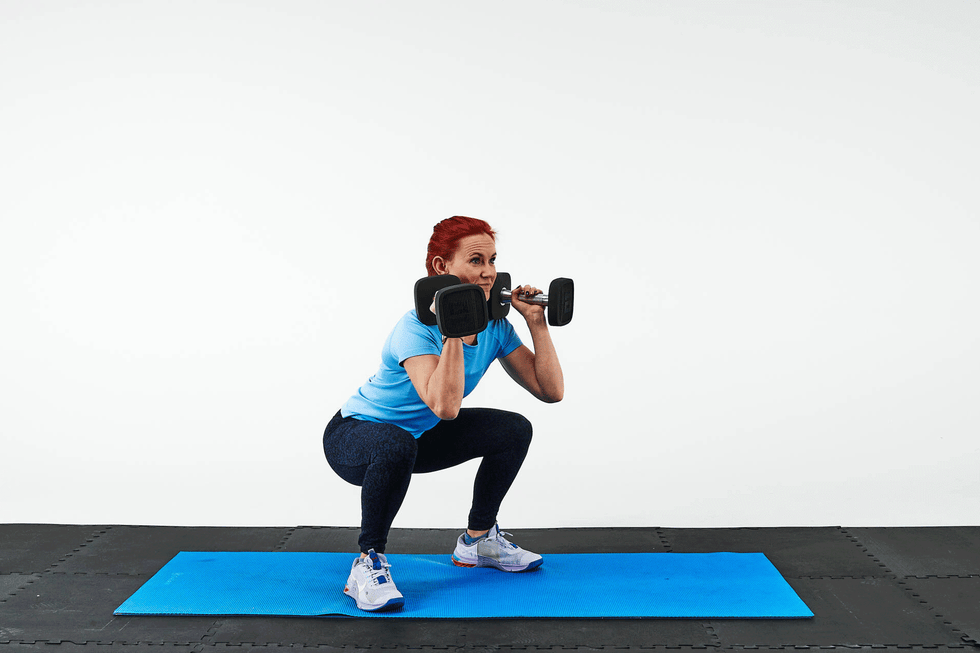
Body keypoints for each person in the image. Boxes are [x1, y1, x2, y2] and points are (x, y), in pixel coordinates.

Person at [322, 215, 565, 612]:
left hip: (418, 438)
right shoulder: (415, 328)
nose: (489, 273)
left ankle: (478, 541)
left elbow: (550, 390)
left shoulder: (496, 327)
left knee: (513, 429)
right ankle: (367, 562)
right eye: (475, 261)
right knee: (395, 442)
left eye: (492, 260)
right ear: (441, 268)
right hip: (355, 437)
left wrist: (536, 322)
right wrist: (452, 327)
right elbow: (445, 406)